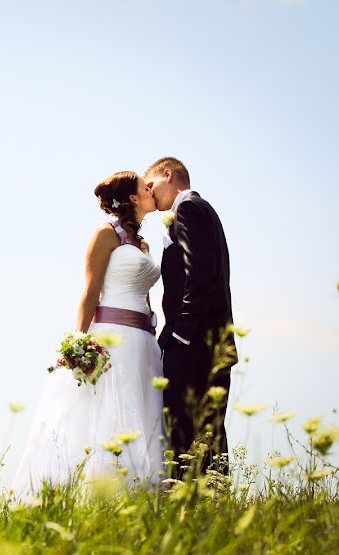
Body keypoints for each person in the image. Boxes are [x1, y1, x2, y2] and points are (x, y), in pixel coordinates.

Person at [11, 171, 164, 499]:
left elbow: (146, 294)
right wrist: (79, 343)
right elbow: (90, 292)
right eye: (144, 187)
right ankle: (98, 493)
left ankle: (140, 493)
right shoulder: (105, 235)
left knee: (143, 413)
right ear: (134, 198)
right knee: (106, 415)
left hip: (143, 342)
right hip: (111, 339)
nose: (151, 190)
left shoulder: (144, 244)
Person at [145, 157, 233, 475]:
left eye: (151, 184)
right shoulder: (195, 211)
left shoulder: (189, 208)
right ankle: (209, 508)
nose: (149, 194)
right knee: (206, 431)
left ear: (168, 175)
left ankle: (194, 504)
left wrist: (181, 331)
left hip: (196, 343)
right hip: (206, 341)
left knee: (187, 428)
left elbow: (201, 273)